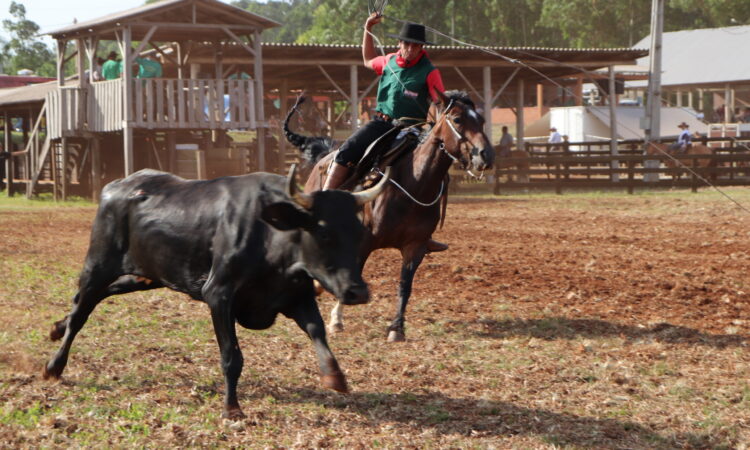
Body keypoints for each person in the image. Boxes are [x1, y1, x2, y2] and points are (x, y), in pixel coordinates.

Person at [325, 12, 447, 251]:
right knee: (348, 149)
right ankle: (324, 199)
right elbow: (369, 59)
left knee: (433, 169)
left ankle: (423, 231)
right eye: (407, 43)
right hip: (382, 123)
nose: (411, 49)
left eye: (416, 45)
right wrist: (367, 29)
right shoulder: (389, 61)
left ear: (422, 47)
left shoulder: (430, 71)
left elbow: (440, 101)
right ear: (399, 44)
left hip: (412, 129)